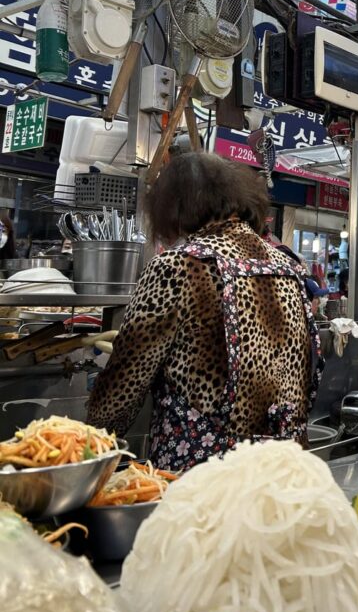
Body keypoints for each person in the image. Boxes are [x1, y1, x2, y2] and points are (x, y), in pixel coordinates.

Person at [87, 153, 322, 471]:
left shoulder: (178, 265)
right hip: (285, 471)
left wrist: (88, 445)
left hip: (205, 480)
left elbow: (125, 383)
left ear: (172, 207)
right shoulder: (288, 266)